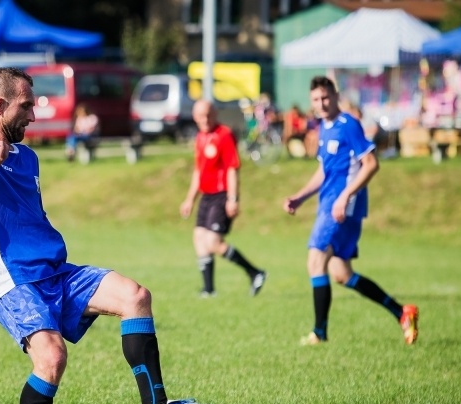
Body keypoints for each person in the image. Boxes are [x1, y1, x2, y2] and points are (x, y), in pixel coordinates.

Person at [0, 67, 216, 404]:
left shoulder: (30, 156)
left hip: (57, 271)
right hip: (14, 281)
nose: (34, 115)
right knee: (52, 357)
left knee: (136, 296)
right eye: (26, 106)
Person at [283, 76, 419, 346]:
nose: (321, 104)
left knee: (315, 260)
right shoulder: (324, 127)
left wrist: (345, 196)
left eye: (325, 98)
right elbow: (324, 171)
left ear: (335, 96)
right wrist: (300, 197)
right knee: (341, 273)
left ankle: (319, 334)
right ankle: (402, 312)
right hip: (331, 204)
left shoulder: (348, 125)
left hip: (341, 207)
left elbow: (370, 163)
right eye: (316, 100)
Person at [179, 99, 266, 298]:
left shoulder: (224, 135)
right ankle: (209, 290)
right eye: (200, 115)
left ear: (215, 114)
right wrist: (189, 199)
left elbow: (232, 168)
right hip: (206, 195)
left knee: (213, 242)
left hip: (222, 194)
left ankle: (255, 273)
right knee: (199, 238)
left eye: (208, 114)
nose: (205, 119)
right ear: (194, 117)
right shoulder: (201, 137)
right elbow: (198, 171)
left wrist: (232, 198)